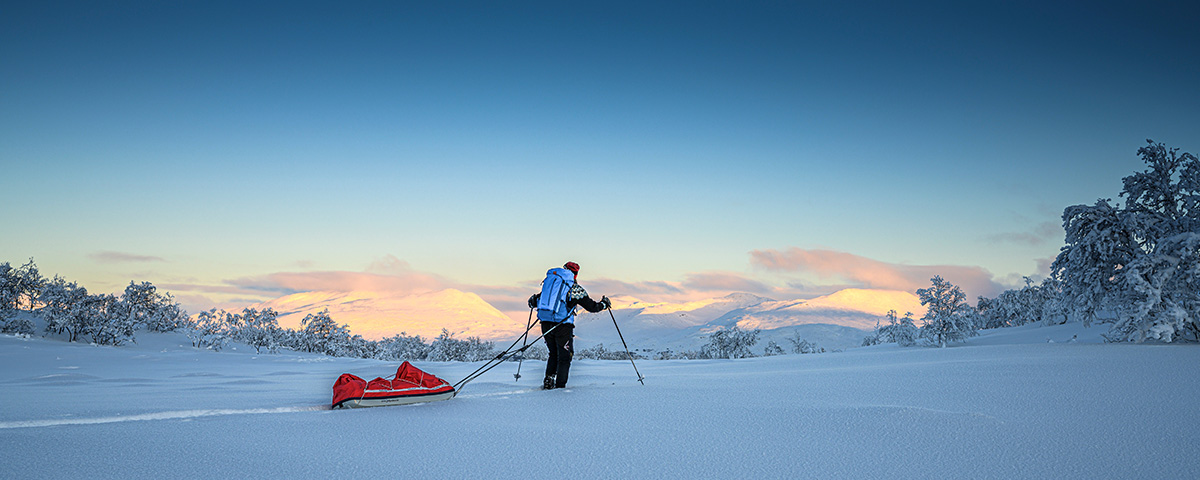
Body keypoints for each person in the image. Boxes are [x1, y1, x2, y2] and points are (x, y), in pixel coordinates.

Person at [527, 261, 610, 389]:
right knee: (565, 357)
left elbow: (535, 301)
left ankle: (549, 380)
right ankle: (560, 388)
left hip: (545, 324)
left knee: (553, 353)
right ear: (576, 274)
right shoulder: (574, 288)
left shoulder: (551, 284)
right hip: (563, 326)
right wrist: (604, 304)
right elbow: (592, 307)